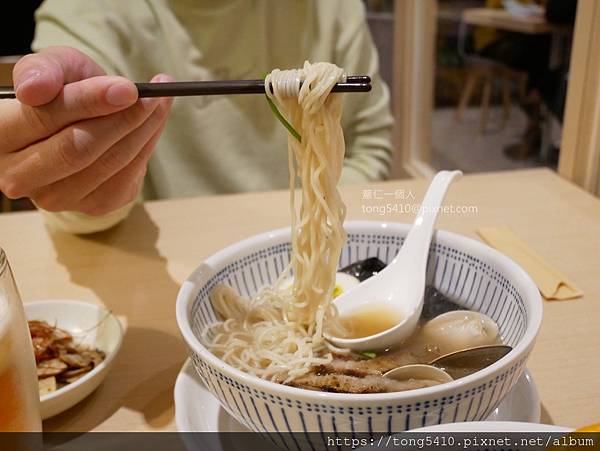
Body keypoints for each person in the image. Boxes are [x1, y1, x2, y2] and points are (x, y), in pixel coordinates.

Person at [0, 0, 393, 234]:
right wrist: (77, 182)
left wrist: (310, 226)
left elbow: (367, 142)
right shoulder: (89, 10)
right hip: (160, 268)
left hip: (314, 243)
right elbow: (75, 206)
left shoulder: (327, 8)